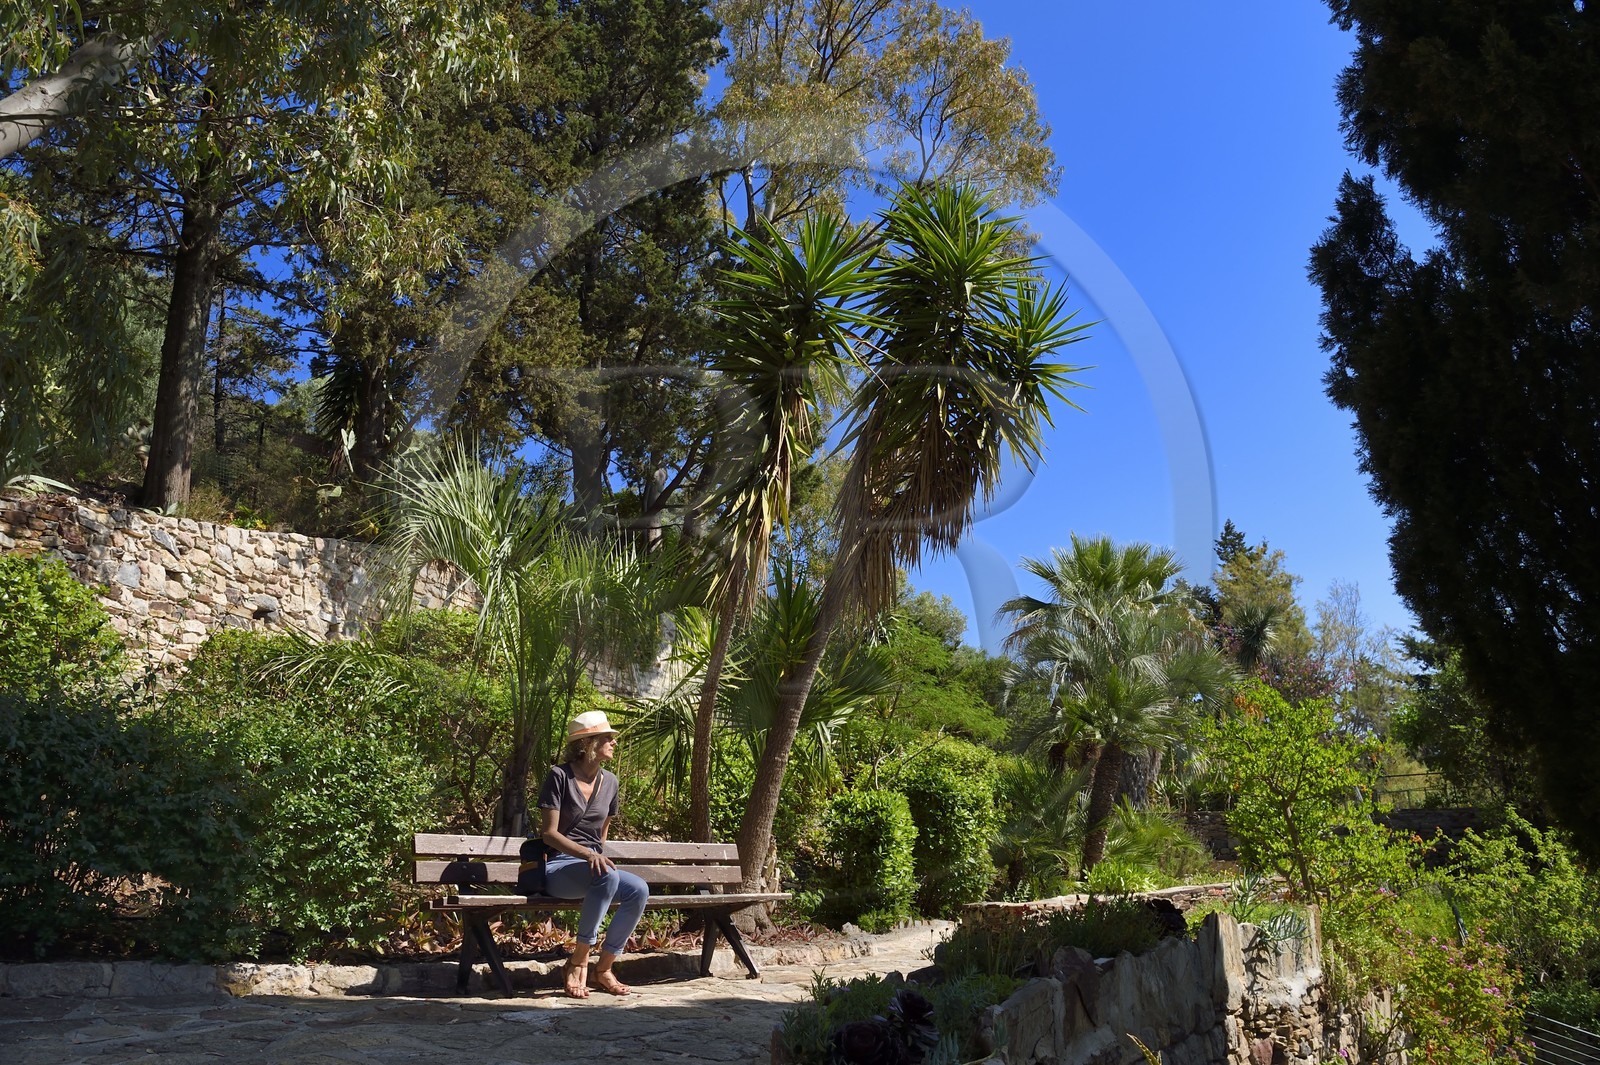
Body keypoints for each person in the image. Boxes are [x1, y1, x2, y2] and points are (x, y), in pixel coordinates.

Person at [537, 709, 648, 998]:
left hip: (594, 869)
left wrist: (594, 856)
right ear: (588, 743)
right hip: (558, 867)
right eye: (608, 738)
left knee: (638, 889)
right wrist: (588, 856)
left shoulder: (610, 782)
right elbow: (549, 834)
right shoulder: (559, 776)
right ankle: (578, 961)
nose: (614, 742)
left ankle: (604, 968)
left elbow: (601, 836)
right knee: (606, 875)